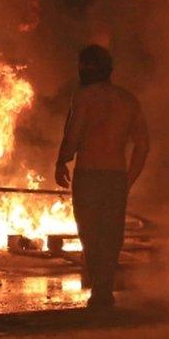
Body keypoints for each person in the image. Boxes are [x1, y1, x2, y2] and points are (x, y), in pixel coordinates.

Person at [55, 44, 149, 308]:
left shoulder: (84, 97)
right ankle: (104, 290)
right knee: (111, 235)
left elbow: (73, 134)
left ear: (86, 68)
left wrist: (62, 160)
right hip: (116, 177)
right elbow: (143, 145)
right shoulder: (128, 100)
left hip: (89, 176)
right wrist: (128, 179)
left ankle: (100, 291)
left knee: (91, 233)